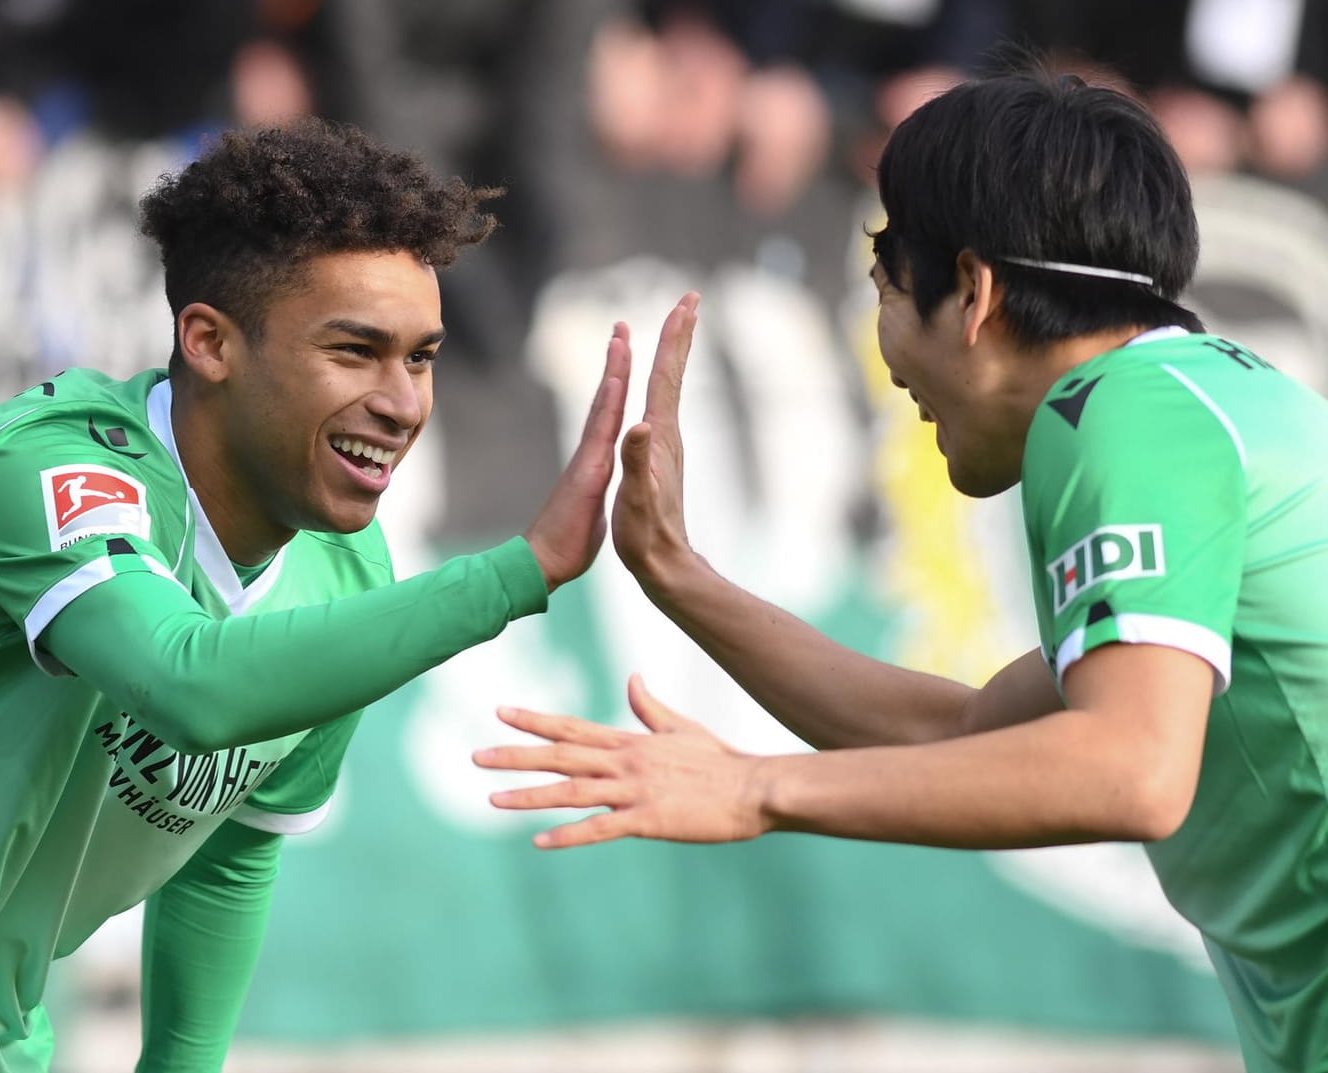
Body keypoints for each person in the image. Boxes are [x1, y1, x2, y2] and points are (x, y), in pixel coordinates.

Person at [0, 119, 632, 1073]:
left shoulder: (349, 574)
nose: (401, 402)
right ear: (208, 341)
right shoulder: (53, 464)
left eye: (421, 357)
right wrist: (518, 573)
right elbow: (189, 686)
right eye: (354, 352)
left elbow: (232, 854)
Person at [475, 72, 1328, 1073]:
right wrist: (676, 571)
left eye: (884, 289)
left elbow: (1130, 770)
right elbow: (958, 730)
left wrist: (755, 789)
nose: (885, 359)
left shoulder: (1118, 414)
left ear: (972, 292)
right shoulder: (1213, 395)